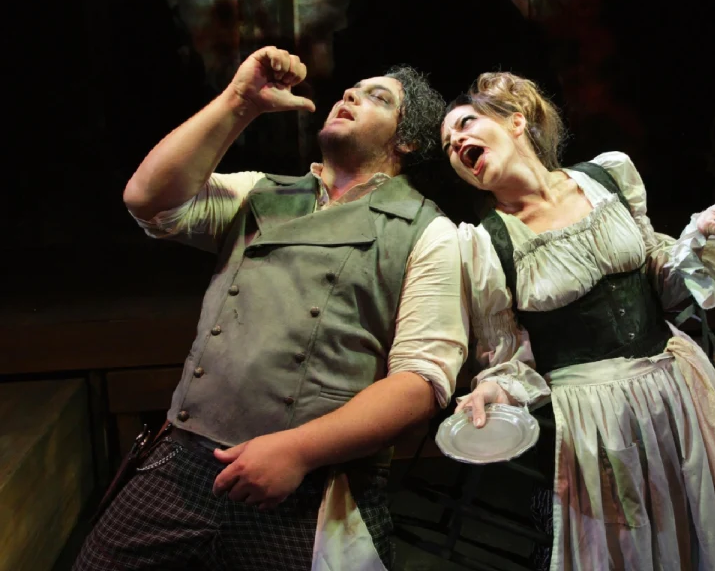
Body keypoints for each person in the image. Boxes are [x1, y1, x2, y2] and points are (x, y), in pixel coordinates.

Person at [75, 46, 468, 571]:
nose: (350, 94)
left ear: (407, 140)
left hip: (308, 486)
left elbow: (420, 381)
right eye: (352, 88)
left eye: (378, 97)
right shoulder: (260, 193)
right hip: (185, 462)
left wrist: (298, 451)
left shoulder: (429, 232)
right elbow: (150, 201)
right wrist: (240, 100)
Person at [441, 72, 715, 571]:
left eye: (466, 124)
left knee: (702, 536)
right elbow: (509, 355)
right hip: (593, 422)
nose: (457, 142)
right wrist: (497, 389)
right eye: (449, 144)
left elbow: (665, 284)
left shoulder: (608, 178)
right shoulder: (484, 242)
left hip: (678, 394)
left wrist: (702, 234)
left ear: (516, 122)